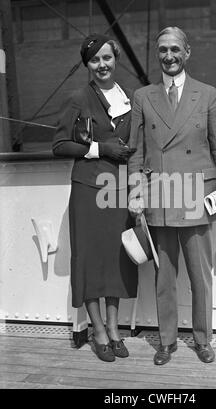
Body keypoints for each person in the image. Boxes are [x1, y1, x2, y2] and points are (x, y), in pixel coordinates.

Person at [128, 27, 216, 365]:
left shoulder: (207, 94)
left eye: (175, 49)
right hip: (160, 197)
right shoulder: (143, 97)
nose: (169, 56)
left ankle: (203, 340)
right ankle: (167, 342)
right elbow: (135, 152)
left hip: (197, 197)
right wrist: (135, 193)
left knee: (200, 276)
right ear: (157, 55)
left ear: (187, 52)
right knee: (164, 277)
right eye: (163, 50)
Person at [52, 33, 138, 362]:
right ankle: (97, 330)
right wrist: (100, 148)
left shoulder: (127, 98)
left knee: (116, 260)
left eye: (107, 58)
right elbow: (60, 145)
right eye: (95, 60)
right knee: (90, 260)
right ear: (87, 64)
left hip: (117, 191)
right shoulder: (78, 98)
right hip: (89, 190)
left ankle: (115, 330)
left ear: (115, 60)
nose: (102, 65)